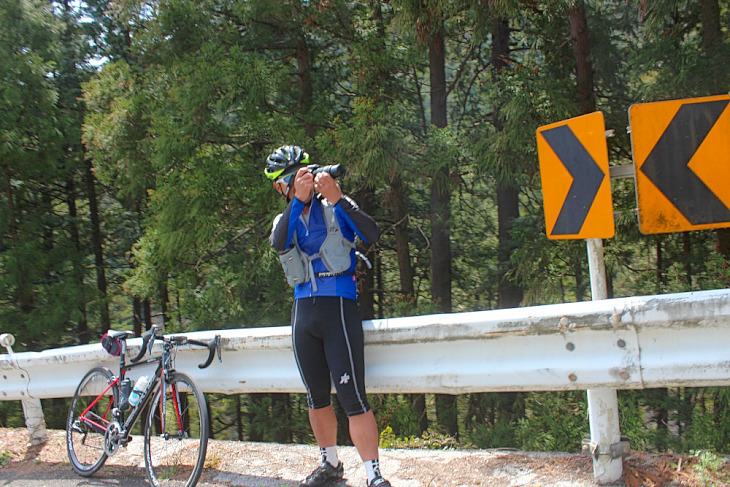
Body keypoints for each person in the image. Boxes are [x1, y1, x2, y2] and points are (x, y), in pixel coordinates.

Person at [265, 145, 391, 487]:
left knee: (353, 398)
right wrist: (297, 202)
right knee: (316, 396)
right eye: (289, 182)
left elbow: (372, 233)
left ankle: (373, 475)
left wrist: (337, 197)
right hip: (303, 313)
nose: (296, 184)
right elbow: (280, 243)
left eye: (299, 176)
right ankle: (330, 463)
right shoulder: (285, 219)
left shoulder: (335, 207)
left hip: (339, 306)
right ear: (281, 188)